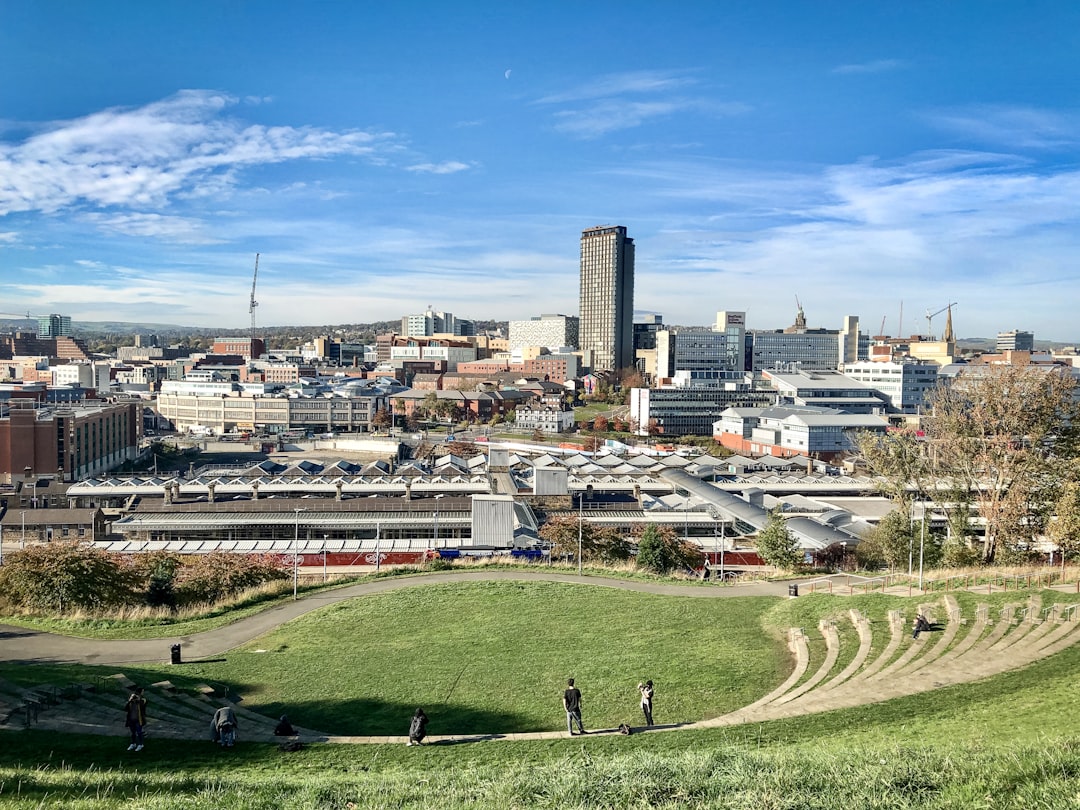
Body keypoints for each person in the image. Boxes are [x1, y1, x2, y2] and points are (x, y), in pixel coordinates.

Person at [124, 686, 147, 752]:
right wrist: (130, 700)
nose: (143, 693)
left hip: (138, 720)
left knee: (139, 732)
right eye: (142, 691)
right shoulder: (131, 701)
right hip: (131, 719)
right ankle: (133, 743)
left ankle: (140, 744)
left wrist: (138, 700)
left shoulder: (143, 700)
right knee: (133, 733)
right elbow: (125, 708)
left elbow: (143, 704)